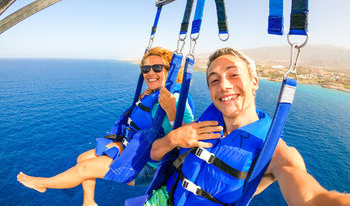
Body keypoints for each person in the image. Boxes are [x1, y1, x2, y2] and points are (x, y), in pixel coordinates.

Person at [146, 47, 350, 206]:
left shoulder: (276, 154)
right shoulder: (201, 127)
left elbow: (313, 198)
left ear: (254, 82)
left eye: (233, 75)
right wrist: (173, 137)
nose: (224, 85)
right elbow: (154, 154)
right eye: (214, 80)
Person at [17, 47, 194, 206]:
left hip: (150, 166)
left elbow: (190, 140)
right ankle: (89, 202)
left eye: (157, 68)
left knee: (84, 169)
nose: (150, 73)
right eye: (145, 69)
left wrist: (171, 111)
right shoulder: (154, 94)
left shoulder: (176, 99)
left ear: (169, 71)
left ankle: (42, 184)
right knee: (82, 158)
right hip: (136, 150)